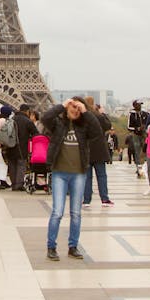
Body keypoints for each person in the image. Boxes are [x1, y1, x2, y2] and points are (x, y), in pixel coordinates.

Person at [42, 98, 102, 260]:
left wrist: (85, 111)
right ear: (67, 108)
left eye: (78, 108)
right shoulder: (58, 125)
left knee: (76, 213)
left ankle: (73, 246)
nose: (75, 110)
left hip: (78, 174)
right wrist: (61, 105)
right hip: (60, 173)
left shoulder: (84, 127)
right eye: (72, 107)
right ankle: (51, 246)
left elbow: (97, 131)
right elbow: (45, 118)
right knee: (57, 212)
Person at [83, 97, 114, 207]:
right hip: (99, 149)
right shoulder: (98, 116)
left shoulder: (82, 117)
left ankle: (86, 200)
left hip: (86, 150)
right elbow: (108, 125)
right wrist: (102, 113)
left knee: (87, 177)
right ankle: (104, 199)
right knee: (101, 175)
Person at [9, 104, 37, 190]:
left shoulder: (12, 119)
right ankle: (19, 184)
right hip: (22, 147)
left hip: (10, 146)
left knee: (12, 165)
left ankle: (13, 184)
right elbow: (36, 134)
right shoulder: (27, 121)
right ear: (27, 111)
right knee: (21, 165)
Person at [126, 100, 148, 177]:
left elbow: (149, 123)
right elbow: (129, 127)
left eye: (140, 104)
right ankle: (139, 168)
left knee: (146, 150)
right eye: (138, 104)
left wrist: (145, 128)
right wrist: (137, 128)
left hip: (144, 134)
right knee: (137, 151)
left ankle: (146, 167)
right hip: (136, 134)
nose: (140, 106)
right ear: (135, 106)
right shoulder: (131, 114)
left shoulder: (144, 114)